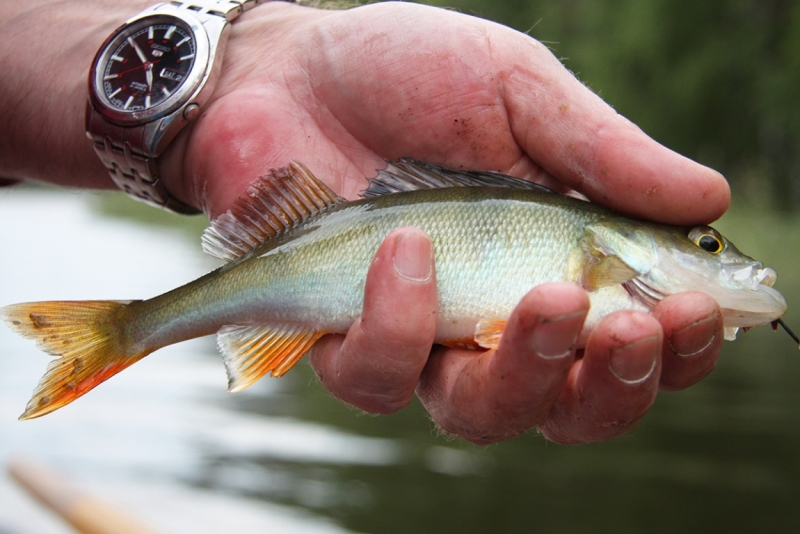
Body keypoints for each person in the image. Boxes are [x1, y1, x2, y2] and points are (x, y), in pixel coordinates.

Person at [0, 0, 729, 445]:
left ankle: (124, 331)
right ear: (637, 242)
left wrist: (242, 72)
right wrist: (248, 68)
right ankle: (124, 330)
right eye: (707, 245)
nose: (726, 262)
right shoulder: (597, 246)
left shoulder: (610, 267)